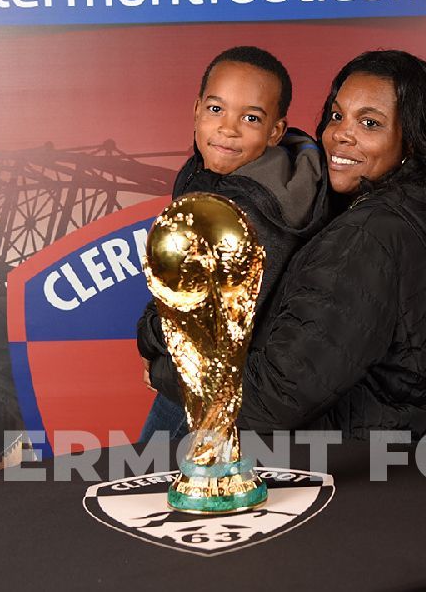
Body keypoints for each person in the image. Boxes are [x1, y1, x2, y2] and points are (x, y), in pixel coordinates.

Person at [149, 49, 426, 439]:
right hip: (349, 451)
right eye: (336, 115)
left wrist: (161, 366)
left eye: (369, 122)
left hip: (328, 466)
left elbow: (276, 397)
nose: (340, 134)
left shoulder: (369, 236)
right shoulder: (392, 217)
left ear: (411, 142)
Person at [136, 45, 330, 441]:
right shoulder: (205, 173)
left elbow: (208, 323)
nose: (228, 128)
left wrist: (152, 345)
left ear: (275, 131)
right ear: (196, 110)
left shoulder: (254, 211)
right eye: (216, 109)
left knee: (152, 479)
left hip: (224, 388)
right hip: (196, 373)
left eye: (251, 117)